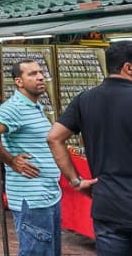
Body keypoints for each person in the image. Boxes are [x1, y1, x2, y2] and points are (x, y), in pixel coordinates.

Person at [47, 41, 132, 255]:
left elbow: (54, 137)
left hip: (108, 204)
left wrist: (76, 181)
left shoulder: (84, 100)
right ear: (128, 67)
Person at [0, 60, 61, 256]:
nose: (40, 77)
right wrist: (11, 160)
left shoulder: (34, 106)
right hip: (32, 200)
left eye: (41, 72)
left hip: (48, 196)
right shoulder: (14, 107)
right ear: (19, 81)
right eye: (32, 74)